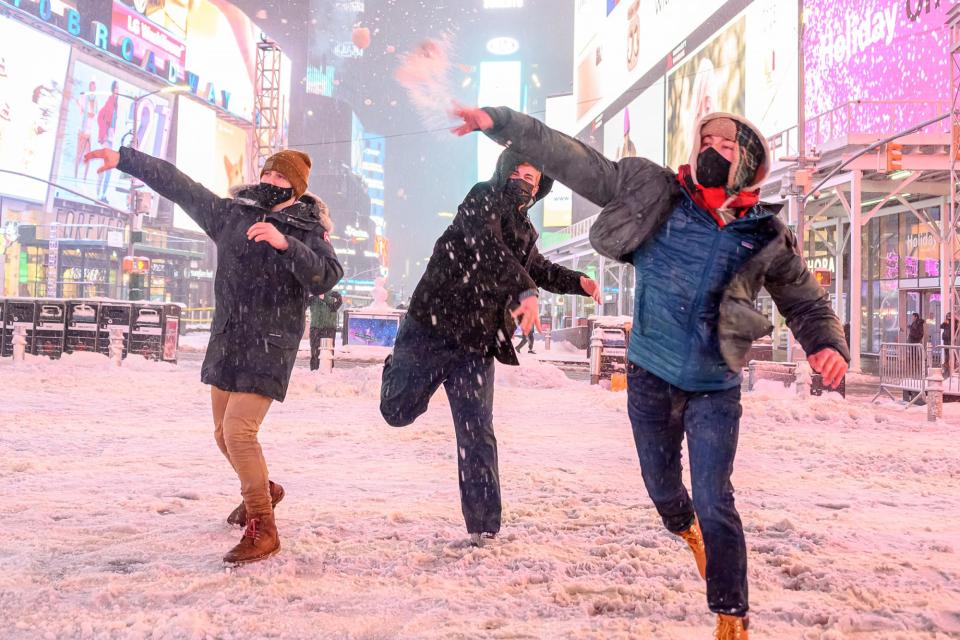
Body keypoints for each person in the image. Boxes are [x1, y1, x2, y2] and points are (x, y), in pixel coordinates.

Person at [452, 105, 849, 638]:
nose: (712, 150)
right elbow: (572, 159)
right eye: (706, 141)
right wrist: (499, 122)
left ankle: (731, 615)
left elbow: (808, 304)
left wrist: (826, 343)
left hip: (715, 387)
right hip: (650, 376)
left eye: (727, 146)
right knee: (666, 493)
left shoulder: (765, 234)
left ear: (751, 161)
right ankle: (685, 531)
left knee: (715, 497)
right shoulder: (655, 193)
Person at [85, 145, 342, 565]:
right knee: (223, 435)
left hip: (269, 345)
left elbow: (327, 277)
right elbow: (180, 186)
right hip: (228, 341)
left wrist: (285, 244)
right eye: (269, 175)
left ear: (297, 188)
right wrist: (125, 159)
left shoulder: (309, 229)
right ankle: (265, 490)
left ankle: (264, 526)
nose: (273, 183)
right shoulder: (231, 214)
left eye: (282, 180)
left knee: (240, 432)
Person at [379, 148, 601, 547]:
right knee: (397, 412)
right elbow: (490, 251)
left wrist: (576, 282)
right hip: (432, 328)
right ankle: (396, 367)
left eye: (530, 176)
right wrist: (525, 291)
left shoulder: (525, 229)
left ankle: (484, 527)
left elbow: (537, 267)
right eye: (515, 170)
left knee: (477, 432)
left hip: (475, 342)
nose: (521, 178)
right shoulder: (481, 198)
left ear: (539, 188)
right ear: (502, 174)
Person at [309, 290, 342, 370]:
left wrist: (325, 298)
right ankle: (314, 369)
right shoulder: (313, 296)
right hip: (316, 327)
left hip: (328, 327)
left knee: (328, 350)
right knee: (315, 349)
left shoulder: (332, 295)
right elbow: (303, 303)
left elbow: (338, 304)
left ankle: (328, 368)